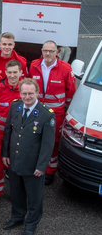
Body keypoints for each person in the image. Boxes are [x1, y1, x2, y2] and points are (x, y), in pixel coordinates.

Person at [1, 78, 56, 235]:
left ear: (37, 93)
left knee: (34, 196)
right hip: (15, 161)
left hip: (33, 165)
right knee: (16, 192)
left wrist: (42, 166)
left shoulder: (46, 115)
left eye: (30, 93)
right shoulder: (15, 106)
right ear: (20, 93)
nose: (27, 97)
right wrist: (5, 154)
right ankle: (17, 217)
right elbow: (8, 132)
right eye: (24, 93)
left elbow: (47, 145)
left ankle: (31, 223)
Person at [29, 40, 76, 185]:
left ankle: (50, 171)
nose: (48, 53)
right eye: (45, 51)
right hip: (37, 112)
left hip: (56, 114)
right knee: (35, 138)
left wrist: (63, 107)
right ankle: (36, 166)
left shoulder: (66, 68)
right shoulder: (34, 66)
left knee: (53, 142)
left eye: (51, 51)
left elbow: (71, 91)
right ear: (41, 51)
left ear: (57, 52)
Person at [0, 60, 22, 205]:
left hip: (19, 136)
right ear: (5, 73)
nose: (12, 75)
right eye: (10, 72)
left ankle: (17, 194)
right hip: (1, 135)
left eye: (15, 72)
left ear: (21, 73)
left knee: (17, 166)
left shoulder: (26, 90)